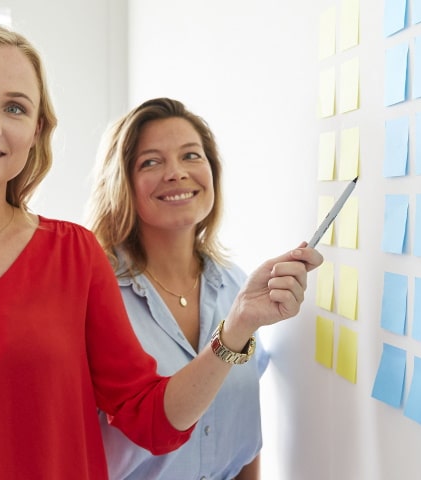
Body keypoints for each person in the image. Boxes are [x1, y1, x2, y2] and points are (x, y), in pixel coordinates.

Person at [0, 25, 322, 480]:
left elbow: (150, 419)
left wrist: (238, 325)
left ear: (36, 131)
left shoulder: (75, 254)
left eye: (14, 108)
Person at [87, 97, 267, 479]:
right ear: (122, 181)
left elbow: (245, 435)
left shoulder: (238, 286)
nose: (177, 173)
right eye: (151, 162)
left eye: (191, 156)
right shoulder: (95, 293)